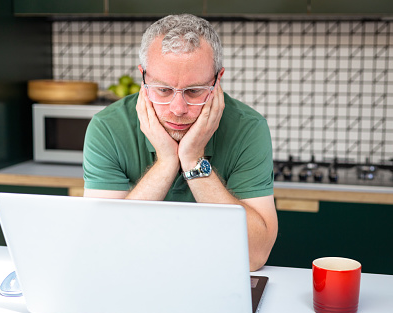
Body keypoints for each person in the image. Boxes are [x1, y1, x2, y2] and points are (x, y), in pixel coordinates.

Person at [83, 14, 277, 271]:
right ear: (143, 77)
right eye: (163, 90)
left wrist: (193, 159)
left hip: (216, 274)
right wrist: (166, 162)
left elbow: (255, 256)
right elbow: (101, 245)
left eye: (194, 91)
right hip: (132, 271)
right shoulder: (107, 128)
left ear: (217, 80)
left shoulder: (248, 128)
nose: (178, 108)